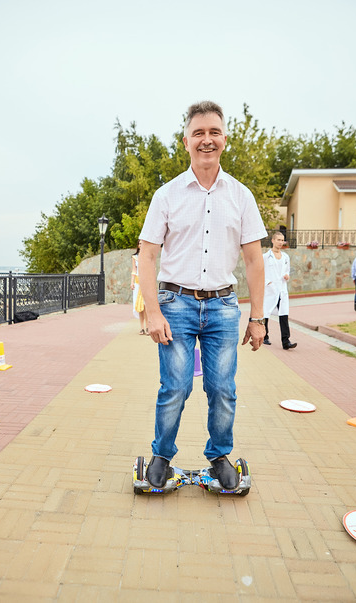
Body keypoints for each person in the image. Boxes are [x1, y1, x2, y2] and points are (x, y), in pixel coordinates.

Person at [137, 100, 267, 490]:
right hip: (175, 304)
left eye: (214, 132)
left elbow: (254, 260)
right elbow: (147, 255)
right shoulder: (167, 195)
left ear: (224, 139)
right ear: (186, 141)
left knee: (222, 389)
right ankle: (162, 455)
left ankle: (219, 456)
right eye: (198, 133)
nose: (206, 140)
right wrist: (153, 312)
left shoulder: (241, 196)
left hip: (223, 307)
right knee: (176, 387)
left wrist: (258, 318)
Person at [262, 232, 297, 350]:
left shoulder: (286, 257)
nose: (281, 242)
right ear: (273, 240)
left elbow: (287, 270)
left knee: (284, 314)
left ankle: (286, 341)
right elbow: (260, 272)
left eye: (282, 240)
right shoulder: (265, 257)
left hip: (282, 289)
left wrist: (287, 276)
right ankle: (264, 336)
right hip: (270, 289)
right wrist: (268, 282)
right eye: (278, 240)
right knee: (266, 313)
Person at [131, 240, 148, 334]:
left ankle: (148, 327)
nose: (141, 245)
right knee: (139, 305)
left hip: (146, 282)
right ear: (137, 245)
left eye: (142, 243)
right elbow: (134, 270)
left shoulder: (148, 256)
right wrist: (132, 282)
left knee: (146, 306)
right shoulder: (135, 257)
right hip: (138, 283)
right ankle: (142, 328)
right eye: (139, 243)